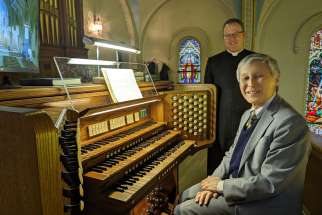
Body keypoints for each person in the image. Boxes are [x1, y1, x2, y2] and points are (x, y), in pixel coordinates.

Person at [174, 53, 311, 215]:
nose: (250, 84)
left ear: (276, 79)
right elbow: (230, 156)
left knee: (183, 210)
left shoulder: (290, 123)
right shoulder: (248, 114)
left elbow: (269, 183)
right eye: (245, 78)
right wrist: (212, 183)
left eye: (258, 76)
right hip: (238, 185)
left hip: (264, 203)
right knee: (185, 195)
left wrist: (220, 187)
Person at [205, 18, 254, 174]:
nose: (231, 38)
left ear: (243, 35)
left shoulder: (256, 60)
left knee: (244, 168)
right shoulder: (213, 62)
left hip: (248, 122)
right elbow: (207, 96)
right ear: (224, 37)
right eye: (227, 35)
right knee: (217, 170)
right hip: (220, 125)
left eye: (235, 34)